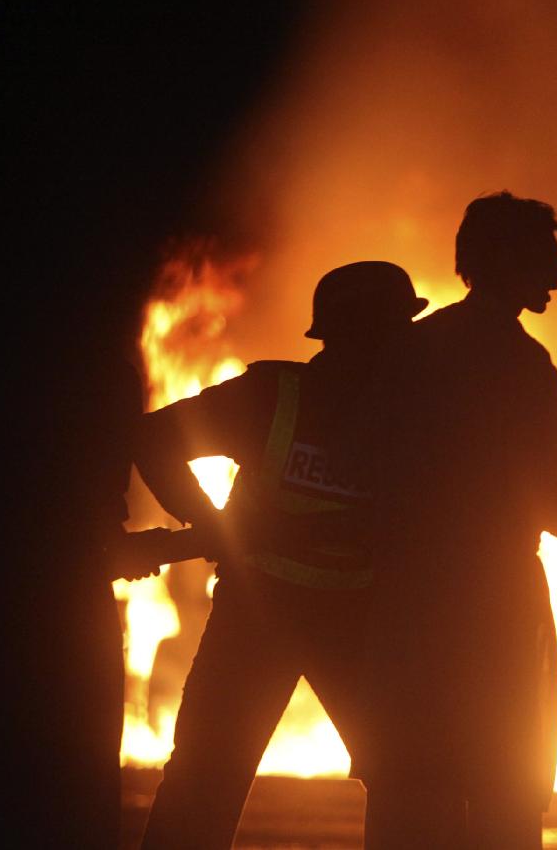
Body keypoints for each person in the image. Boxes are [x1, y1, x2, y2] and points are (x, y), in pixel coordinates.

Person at [360, 192, 557, 849]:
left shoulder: (410, 351)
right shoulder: (525, 368)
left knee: (410, 793)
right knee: (504, 792)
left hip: (399, 605)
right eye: (545, 258)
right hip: (493, 609)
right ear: (501, 260)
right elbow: (553, 511)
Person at [135, 261, 428, 849]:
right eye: (396, 327)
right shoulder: (275, 394)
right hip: (281, 618)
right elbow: (155, 438)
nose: (408, 342)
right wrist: (212, 523)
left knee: (409, 780)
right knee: (206, 782)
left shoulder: (408, 411)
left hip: (322, 618)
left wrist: (212, 526)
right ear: (365, 331)